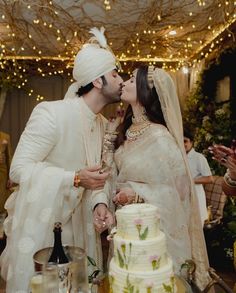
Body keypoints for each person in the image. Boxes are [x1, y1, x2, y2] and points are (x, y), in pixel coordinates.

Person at [0, 27, 123, 292]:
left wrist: (99, 204)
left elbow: (97, 177)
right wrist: (74, 178)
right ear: (98, 81)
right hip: (47, 229)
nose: (121, 80)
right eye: (115, 74)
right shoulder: (51, 113)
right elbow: (19, 170)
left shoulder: (101, 124)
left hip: (83, 230)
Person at [112, 65, 211, 290]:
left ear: (146, 92)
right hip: (127, 231)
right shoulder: (124, 131)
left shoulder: (160, 137)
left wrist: (136, 196)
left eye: (131, 80)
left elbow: (181, 193)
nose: (124, 83)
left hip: (155, 238)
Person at [184, 130, 213, 226]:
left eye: (185, 141)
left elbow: (209, 179)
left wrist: (190, 181)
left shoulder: (199, 158)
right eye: (180, 141)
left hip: (196, 195)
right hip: (182, 197)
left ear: (191, 142)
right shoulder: (178, 157)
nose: (183, 144)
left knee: (196, 226)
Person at [0, 131, 12, 214]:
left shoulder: (5, 136)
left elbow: (9, 157)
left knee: (2, 197)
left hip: (2, 172)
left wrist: (11, 177)